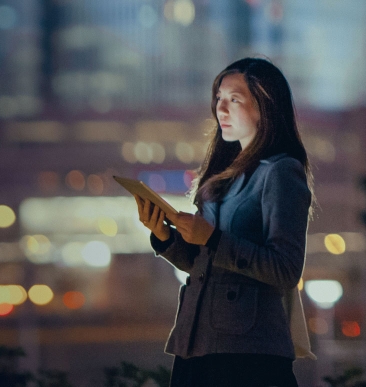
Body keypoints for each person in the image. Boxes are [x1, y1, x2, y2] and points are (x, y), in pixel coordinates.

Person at [134, 57, 317, 387]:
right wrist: (164, 236)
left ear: (265, 105)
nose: (222, 109)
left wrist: (213, 238)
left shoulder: (281, 173)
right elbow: (204, 265)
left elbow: (287, 270)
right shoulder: (221, 178)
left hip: (249, 352)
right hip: (197, 344)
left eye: (234, 99)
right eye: (219, 98)